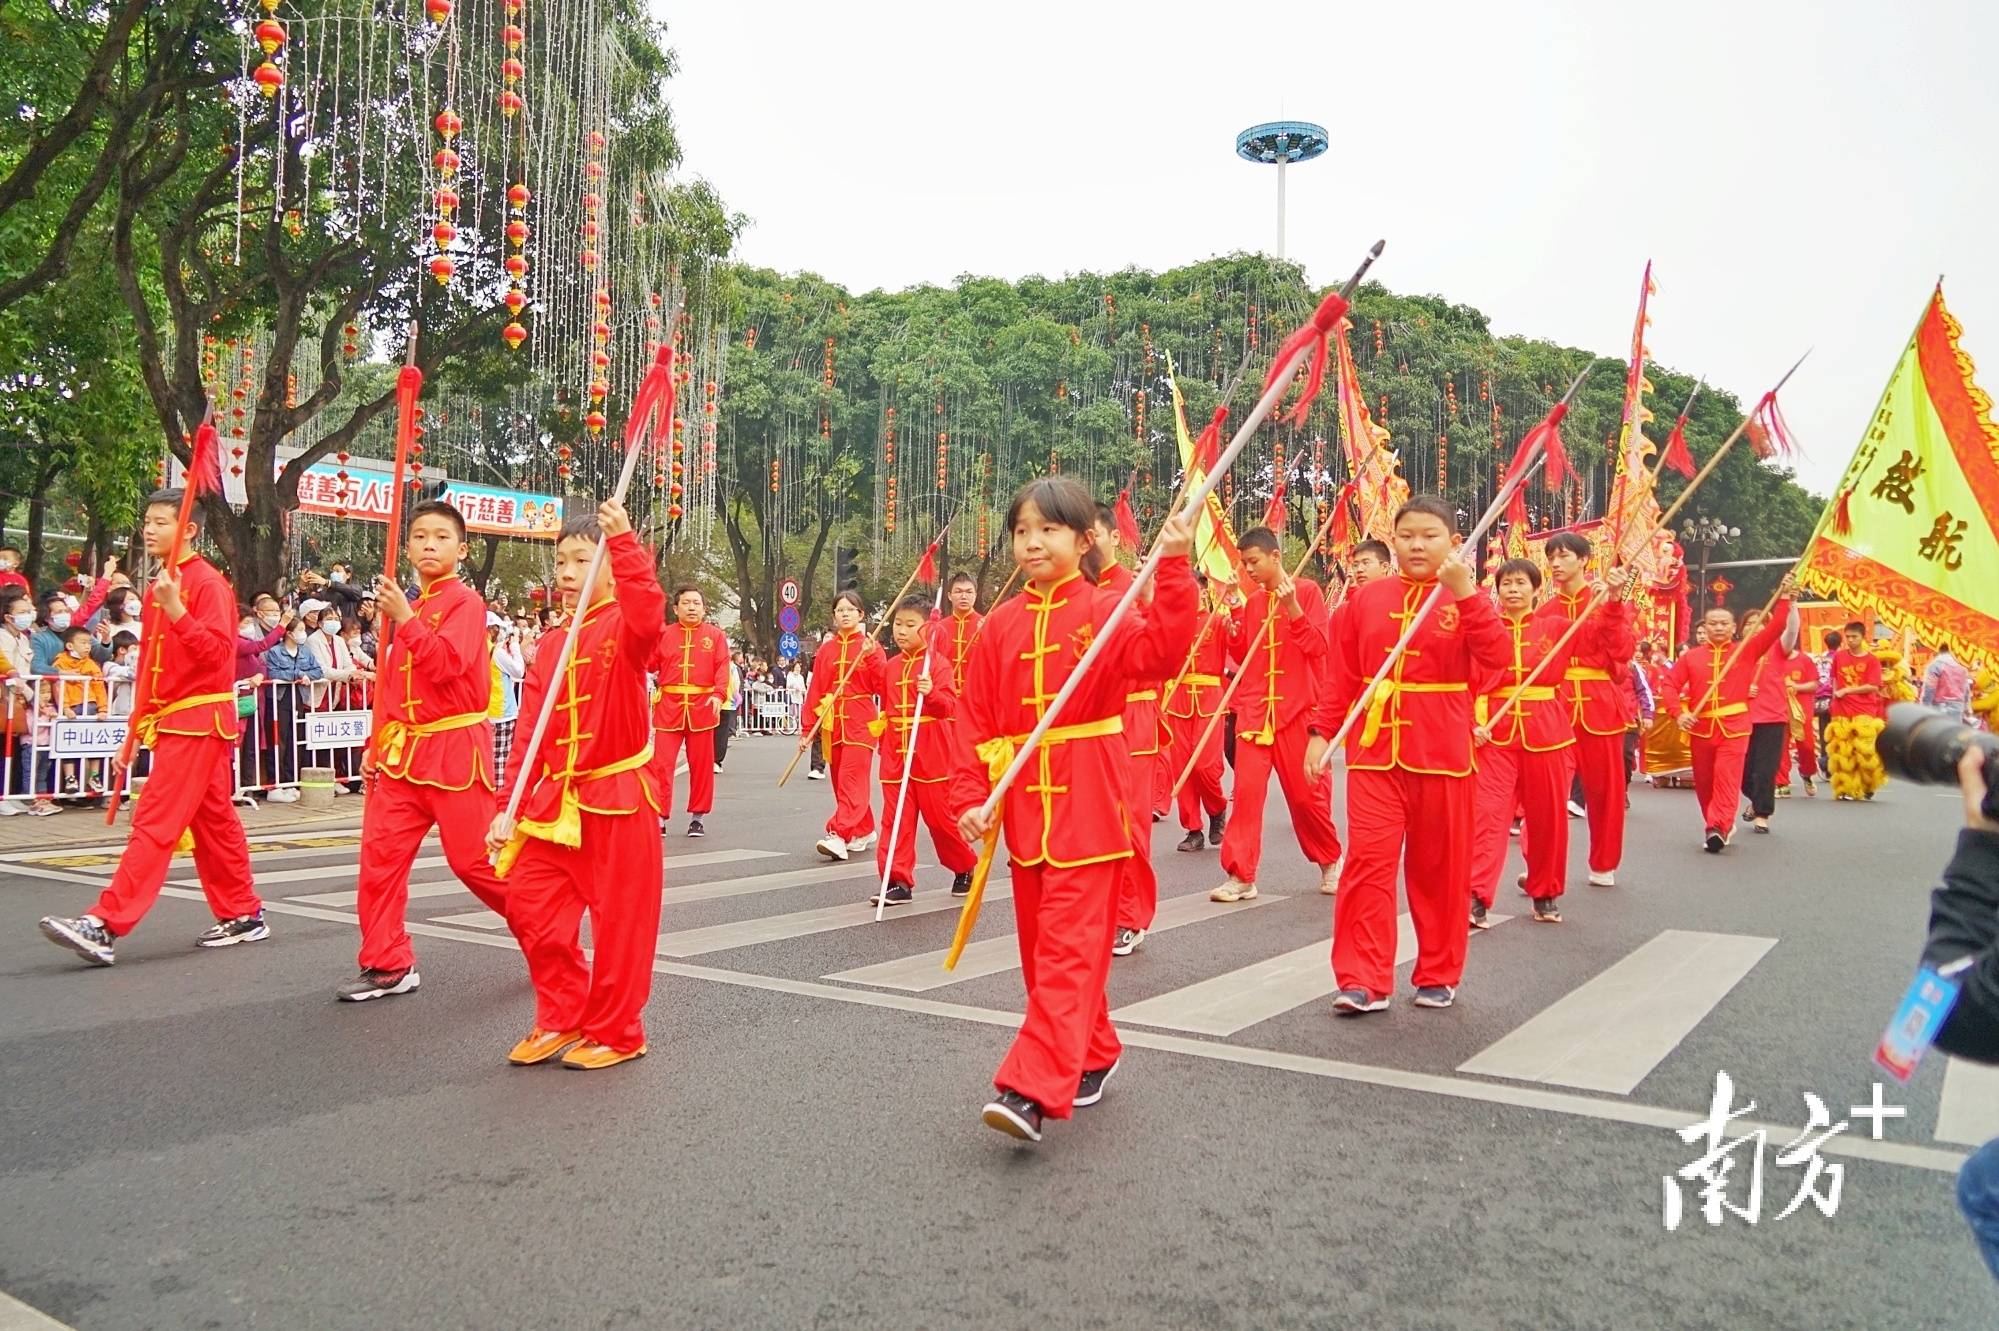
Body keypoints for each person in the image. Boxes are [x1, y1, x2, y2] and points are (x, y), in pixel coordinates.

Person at [951, 476, 1196, 1142]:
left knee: (1063, 954)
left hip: (1092, 804)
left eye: (1048, 529)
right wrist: (970, 795)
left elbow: (1163, 653)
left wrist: (1174, 567)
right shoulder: (1000, 625)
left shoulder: (1104, 610)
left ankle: (1029, 1089)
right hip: (1028, 812)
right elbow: (974, 719)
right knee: (1043, 957)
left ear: (1084, 539)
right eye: (1022, 530)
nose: (1032, 542)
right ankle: (1093, 1049)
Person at [37, 488, 266, 966]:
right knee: (214, 821)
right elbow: (154, 671)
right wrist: (133, 731)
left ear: (190, 530)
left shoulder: (204, 584)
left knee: (156, 820)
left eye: (162, 521)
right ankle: (244, 912)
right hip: (176, 719)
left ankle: (105, 923)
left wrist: (178, 611)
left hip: (198, 718)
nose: (150, 528)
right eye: (148, 520)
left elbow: (220, 657)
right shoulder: (167, 581)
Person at [1309, 496, 1509, 1013]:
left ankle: (1439, 971)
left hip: (1442, 750)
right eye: (1407, 536)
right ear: (1393, 541)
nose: (1417, 545)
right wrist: (1321, 732)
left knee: (1438, 869)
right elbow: (1342, 677)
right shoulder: (1365, 601)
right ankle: (1363, 979)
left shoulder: (1467, 598)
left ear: (1453, 542)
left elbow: (1499, 662)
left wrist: (1466, 596)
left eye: (1430, 535)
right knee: (1368, 866)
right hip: (1375, 753)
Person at [486, 498, 666, 1070]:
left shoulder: (625, 626)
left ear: (610, 568)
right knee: (529, 904)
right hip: (553, 803)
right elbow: (529, 736)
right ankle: (561, 1015)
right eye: (561, 561)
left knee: (620, 925)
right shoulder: (552, 641)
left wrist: (629, 544)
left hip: (617, 797)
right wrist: (505, 806)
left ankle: (618, 1030)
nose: (565, 573)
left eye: (582, 561)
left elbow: (648, 617)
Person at [338, 501, 511, 1002]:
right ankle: (387, 962)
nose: (428, 544)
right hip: (402, 755)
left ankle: (546, 924)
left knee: (475, 864)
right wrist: (376, 743)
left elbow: (448, 665)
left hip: (455, 749)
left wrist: (406, 619)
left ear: (462, 549)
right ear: (408, 546)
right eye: (418, 536)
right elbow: (393, 684)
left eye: (440, 536)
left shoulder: (465, 603)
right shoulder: (406, 604)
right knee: (380, 858)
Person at [1211, 526, 1342, 904]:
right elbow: (1241, 650)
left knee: (1306, 797)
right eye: (1244, 562)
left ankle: (1329, 859)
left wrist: (1293, 609)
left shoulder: (1308, 592)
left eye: (1254, 562)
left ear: (1275, 557)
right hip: (1255, 711)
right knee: (1247, 796)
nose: (1248, 569)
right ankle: (1240, 874)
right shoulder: (1253, 603)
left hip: (1298, 710)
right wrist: (1235, 606)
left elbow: (1319, 647)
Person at [1469, 558, 1588, 926]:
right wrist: (1472, 722)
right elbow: (1468, 680)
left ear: (1537, 590)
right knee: (1487, 816)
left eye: (1521, 583)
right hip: (1496, 732)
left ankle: (1546, 891)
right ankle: (1476, 894)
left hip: (1547, 733)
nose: (1513, 589)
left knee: (1549, 817)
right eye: (1507, 583)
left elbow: (1608, 643)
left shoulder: (1559, 627)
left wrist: (1611, 601)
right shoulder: (1485, 631)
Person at [1659, 585, 1795, 853]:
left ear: (1734, 627)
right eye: (1712, 623)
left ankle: (1717, 826)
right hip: (1701, 729)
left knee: (1726, 779)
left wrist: (1786, 596)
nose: (1718, 628)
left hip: (1734, 729)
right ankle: (1716, 821)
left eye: (1723, 623)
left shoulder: (1747, 649)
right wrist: (1679, 713)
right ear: (1704, 627)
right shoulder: (1691, 658)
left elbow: (1777, 625)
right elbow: (1668, 685)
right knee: (1705, 784)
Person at [1536, 531, 1637, 886]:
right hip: (1556, 703)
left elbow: (1622, 651)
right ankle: (1541, 866)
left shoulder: (1605, 599)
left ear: (1584, 560)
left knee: (1605, 791)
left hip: (1598, 703)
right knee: (1546, 791)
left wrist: (1611, 603)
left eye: (1563, 556)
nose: (1556, 564)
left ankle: (1603, 863)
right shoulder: (1545, 610)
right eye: (1552, 557)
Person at [869, 595, 978, 905]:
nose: (901, 631)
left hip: (931, 756)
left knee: (942, 822)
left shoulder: (938, 665)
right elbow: (881, 699)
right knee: (895, 822)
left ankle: (964, 865)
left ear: (926, 628)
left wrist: (930, 694)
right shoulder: (891, 667)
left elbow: (949, 707)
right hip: (896, 755)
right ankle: (897, 880)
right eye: (897, 625)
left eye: (910, 625)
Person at [1093, 502, 1167, 955]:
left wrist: (1153, 597)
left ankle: (1130, 915)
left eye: (1095, 534)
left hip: (1132, 716)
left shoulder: (1135, 587)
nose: (1086, 544)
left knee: (1129, 823)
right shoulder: (1073, 590)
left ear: (1114, 538)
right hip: (1085, 722)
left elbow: (1164, 646)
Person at [800, 591, 884, 861]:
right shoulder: (827, 649)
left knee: (851, 779)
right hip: (833, 723)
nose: (845, 614)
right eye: (840, 610)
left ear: (861, 615)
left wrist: (871, 657)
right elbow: (816, 690)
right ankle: (864, 829)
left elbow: (882, 685)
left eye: (851, 609)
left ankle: (838, 834)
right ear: (834, 616)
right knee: (841, 783)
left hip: (861, 721)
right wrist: (807, 730)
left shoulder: (871, 646)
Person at [648, 585, 730, 838]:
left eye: (696, 603)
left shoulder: (714, 636)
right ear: (675, 608)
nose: (692, 607)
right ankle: (659, 816)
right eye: (686, 603)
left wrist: (718, 695)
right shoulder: (663, 634)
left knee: (702, 765)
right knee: (661, 765)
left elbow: (722, 667)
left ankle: (698, 817)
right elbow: (648, 663)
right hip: (669, 707)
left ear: (704, 609)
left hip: (702, 708)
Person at [1162, 577, 1229, 855]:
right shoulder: (1172, 626)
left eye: (1199, 591)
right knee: (1182, 768)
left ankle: (1217, 808)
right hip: (1177, 700)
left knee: (1205, 766)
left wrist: (1234, 604)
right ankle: (1193, 828)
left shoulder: (1217, 622)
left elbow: (1239, 644)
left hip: (1209, 700)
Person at [1737, 603, 1803, 833]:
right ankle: (1756, 801)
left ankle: (1762, 814)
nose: (1754, 628)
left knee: (1765, 770)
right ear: (1741, 628)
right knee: (1743, 774)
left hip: (1772, 719)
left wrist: (1792, 606)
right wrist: (1743, 690)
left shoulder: (1777, 648)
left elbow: (1792, 630)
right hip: (1740, 718)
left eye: (1760, 624)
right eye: (1749, 624)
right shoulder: (1735, 651)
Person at [259, 613, 323, 800]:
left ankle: (291, 780)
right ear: (289, 633)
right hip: (279, 698)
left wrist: (306, 676)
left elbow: (317, 670)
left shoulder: (305, 652)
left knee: (296, 739)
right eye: (300, 630)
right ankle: (275, 783)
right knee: (279, 740)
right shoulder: (275, 651)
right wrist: (295, 675)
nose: (303, 634)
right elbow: (272, 671)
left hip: (298, 698)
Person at [1827, 621, 1888, 801]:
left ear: (1863, 637)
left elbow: (1873, 686)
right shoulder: (1839, 656)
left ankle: (1869, 784)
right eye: (1848, 637)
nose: (1851, 640)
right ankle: (1846, 787)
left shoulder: (1872, 660)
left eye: (1855, 637)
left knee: (1865, 751)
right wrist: (1834, 698)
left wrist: (1847, 690)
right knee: (1844, 752)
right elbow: (1835, 679)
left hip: (1864, 709)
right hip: (1841, 709)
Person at [942, 570, 983, 694]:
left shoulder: (987, 625)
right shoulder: (939, 628)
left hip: (977, 696)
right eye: (958, 592)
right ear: (949, 596)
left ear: (975, 595)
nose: (964, 596)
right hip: (946, 696)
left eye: (969, 592)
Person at [1924, 645, 1972, 721]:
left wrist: (1925, 705)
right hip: (1958, 707)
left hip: (1940, 706)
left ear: (1939, 651)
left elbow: (1930, 687)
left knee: (1939, 731)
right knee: (1953, 731)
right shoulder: (1962, 668)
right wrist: (1967, 707)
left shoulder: (1936, 665)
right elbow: (1966, 689)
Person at [713, 650, 742, 773]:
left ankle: (712, 761)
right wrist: (736, 696)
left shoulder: (712, 663)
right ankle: (716, 761)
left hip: (716, 702)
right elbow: (736, 684)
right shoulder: (732, 667)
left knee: (714, 734)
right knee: (720, 735)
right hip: (725, 702)